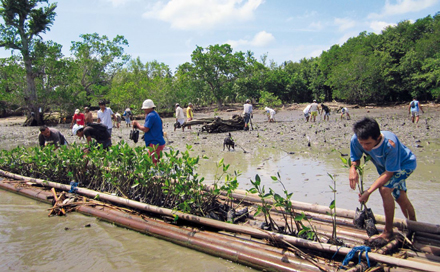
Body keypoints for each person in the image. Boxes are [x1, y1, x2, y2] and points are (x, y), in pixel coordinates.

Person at [349, 117, 417, 242]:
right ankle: (414, 225)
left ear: (377, 137)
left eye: (368, 143)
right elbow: (355, 158)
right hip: (386, 168)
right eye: (362, 143)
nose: (364, 146)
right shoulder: (356, 140)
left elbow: (389, 173)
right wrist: (353, 169)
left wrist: (368, 192)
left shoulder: (390, 144)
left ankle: (388, 231)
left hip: (404, 165)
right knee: (401, 197)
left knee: (385, 190)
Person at [132, 99, 166, 164]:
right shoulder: (154, 114)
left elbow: (145, 129)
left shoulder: (151, 115)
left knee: (151, 162)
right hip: (158, 142)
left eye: (145, 109)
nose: (144, 110)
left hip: (155, 143)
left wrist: (137, 124)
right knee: (157, 162)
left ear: (149, 108)